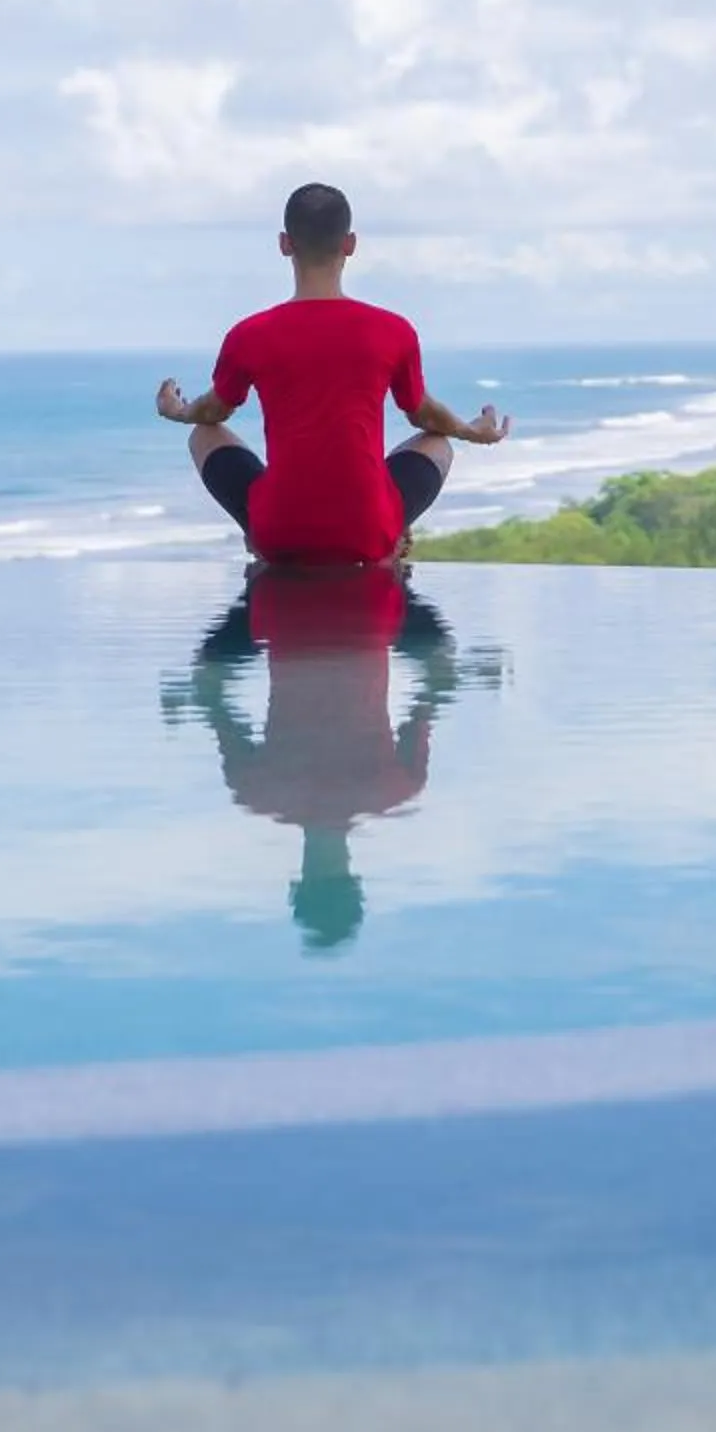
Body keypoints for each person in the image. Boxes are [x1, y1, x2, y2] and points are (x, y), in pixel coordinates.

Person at [155, 182, 510, 567]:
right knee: (439, 443)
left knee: (202, 435)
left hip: (280, 533)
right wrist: (473, 432)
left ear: (285, 244)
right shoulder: (393, 330)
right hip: (366, 531)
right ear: (350, 244)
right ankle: (388, 533)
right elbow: (422, 414)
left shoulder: (248, 335)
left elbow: (212, 413)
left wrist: (178, 411)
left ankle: (258, 532)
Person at [169, 567, 464, 950]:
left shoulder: (397, 788)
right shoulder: (257, 792)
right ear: (298, 885)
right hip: (280, 599)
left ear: (355, 881)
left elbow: (433, 693)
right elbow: (214, 700)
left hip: (366, 602)